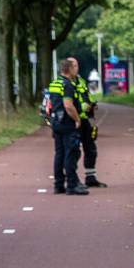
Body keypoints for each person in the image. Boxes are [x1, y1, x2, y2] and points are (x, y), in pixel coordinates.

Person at [46, 59, 88, 196]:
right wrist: (77, 119)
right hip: (67, 122)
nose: (76, 69)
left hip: (56, 121)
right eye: (74, 67)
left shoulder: (54, 83)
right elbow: (68, 105)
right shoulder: (68, 85)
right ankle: (72, 185)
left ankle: (58, 185)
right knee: (71, 153)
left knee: (59, 153)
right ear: (69, 69)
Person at [75, 69, 107, 188]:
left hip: (84, 120)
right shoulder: (65, 83)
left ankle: (90, 177)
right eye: (74, 66)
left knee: (91, 149)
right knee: (73, 151)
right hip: (73, 121)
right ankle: (73, 180)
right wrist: (82, 107)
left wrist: (92, 103)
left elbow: (86, 95)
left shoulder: (81, 81)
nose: (76, 68)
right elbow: (68, 102)